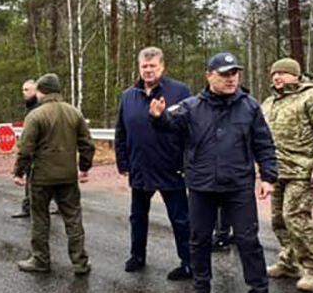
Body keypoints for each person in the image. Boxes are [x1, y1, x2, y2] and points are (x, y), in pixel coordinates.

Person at [150, 53, 278, 293]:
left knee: (248, 242)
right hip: (201, 185)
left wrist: (268, 176)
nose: (231, 78)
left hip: (238, 185)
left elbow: (263, 143)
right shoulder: (191, 107)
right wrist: (159, 118)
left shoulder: (250, 107)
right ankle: (201, 292)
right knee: (199, 240)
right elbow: (170, 128)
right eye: (224, 74)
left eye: (234, 73)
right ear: (209, 76)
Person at [114, 46, 193, 279]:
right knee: (138, 216)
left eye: (153, 66)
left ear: (162, 66)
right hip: (140, 166)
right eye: (144, 66)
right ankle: (137, 256)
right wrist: (123, 161)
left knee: (180, 218)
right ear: (139, 68)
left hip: (171, 166)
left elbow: (190, 128)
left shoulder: (179, 91)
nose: (148, 70)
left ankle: (188, 262)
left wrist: (188, 162)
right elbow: (121, 131)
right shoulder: (129, 95)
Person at [261, 58, 313, 292]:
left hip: (303, 171)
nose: (277, 77)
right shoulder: (270, 102)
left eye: (283, 73)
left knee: (296, 217)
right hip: (277, 170)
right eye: (274, 74)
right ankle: (289, 261)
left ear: (296, 75)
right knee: (278, 220)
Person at [12, 73, 94, 275]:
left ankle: (40, 260)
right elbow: (87, 145)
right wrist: (84, 168)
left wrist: (19, 171)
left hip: (41, 177)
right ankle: (80, 262)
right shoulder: (74, 113)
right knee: (73, 218)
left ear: (41, 91)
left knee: (40, 218)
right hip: (67, 175)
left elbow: (25, 148)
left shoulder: (36, 115)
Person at [11, 79, 39, 218]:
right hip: (37, 151)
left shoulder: (36, 109)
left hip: (36, 151)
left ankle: (28, 208)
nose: (24, 93)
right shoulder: (30, 107)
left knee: (32, 179)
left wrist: (19, 169)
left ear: (35, 91)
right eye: (23, 90)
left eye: (27, 90)